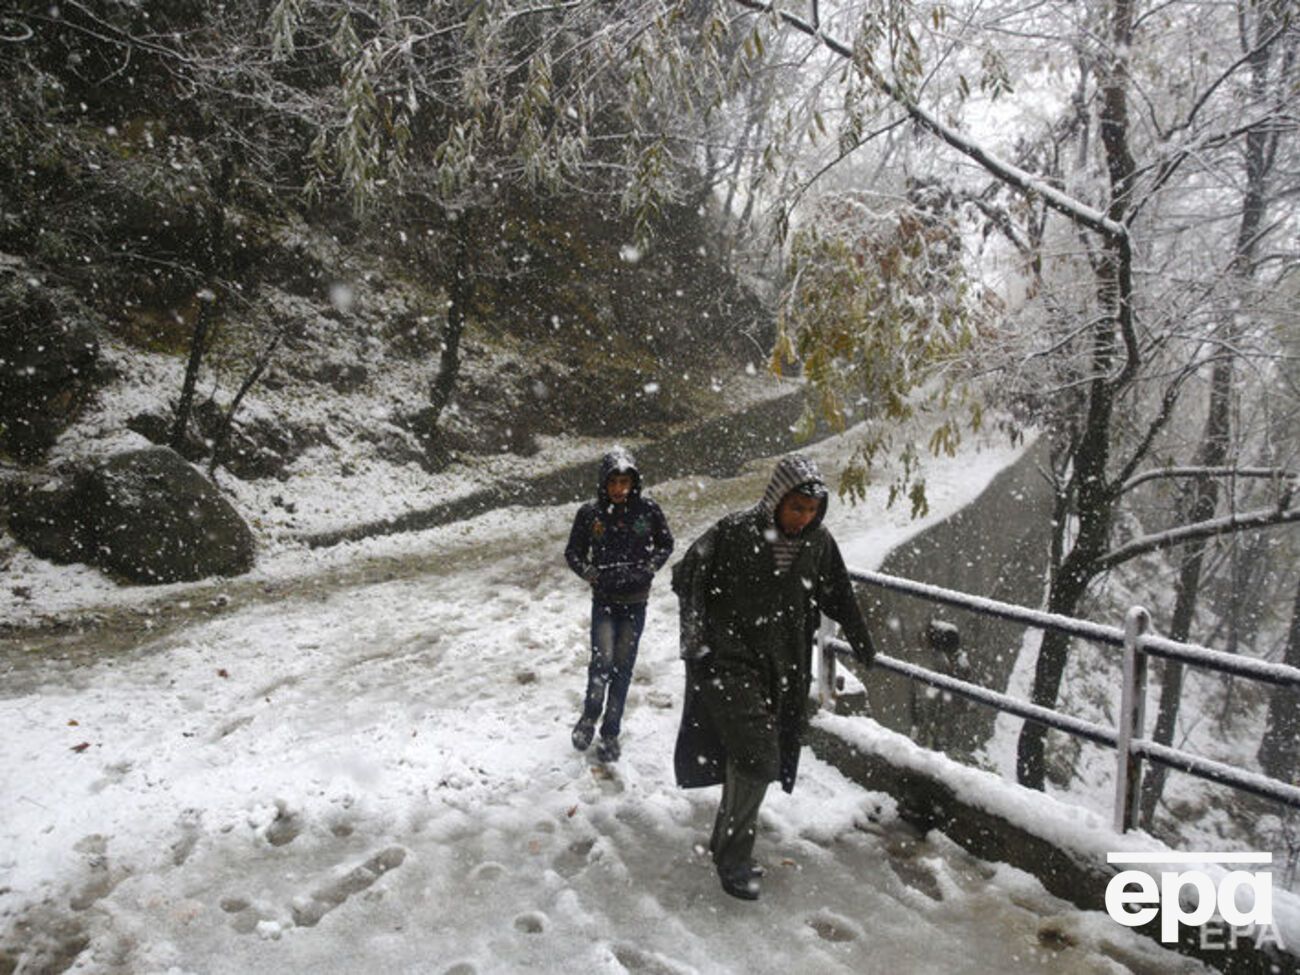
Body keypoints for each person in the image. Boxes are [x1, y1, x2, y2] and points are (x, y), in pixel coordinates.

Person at [671, 454, 876, 900]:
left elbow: (836, 590)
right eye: (795, 507)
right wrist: (697, 645)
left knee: (751, 755)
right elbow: (687, 578)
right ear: (775, 499)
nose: (803, 518)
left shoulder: (818, 543)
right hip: (730, 662)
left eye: (811, 510)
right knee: (759, 756)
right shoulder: (732, 532)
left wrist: (860, 638)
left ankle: (729, 835)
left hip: (784, 666)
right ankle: (733, 858)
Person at [565, 447, 674, 763]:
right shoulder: (590, 515)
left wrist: (649, 567)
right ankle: (589, 717)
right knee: (601, 662)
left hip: (635, 603)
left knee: (622, 668)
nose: (619, 489)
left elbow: (666, 543)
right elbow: (573, 552)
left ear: (634, 483)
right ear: (603, 483)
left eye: (625, 482)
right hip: (604, 603)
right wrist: (589, 572)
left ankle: (610, 731)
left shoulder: (648, 512)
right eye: (613, 482)